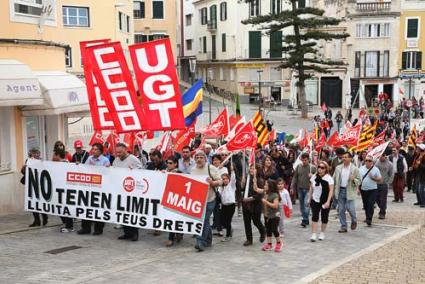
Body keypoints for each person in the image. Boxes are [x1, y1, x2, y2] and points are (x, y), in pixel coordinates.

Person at [190, 150, 222, 252]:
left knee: (204, 220)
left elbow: (221, 181)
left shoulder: (211, 168)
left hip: (210, 199)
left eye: (201, 157)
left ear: (205, 158)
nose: (199, 159)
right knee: (205, 220)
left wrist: (212, 182)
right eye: (197, 157)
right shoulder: (193, 170)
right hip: (198, 200)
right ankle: (208, 239)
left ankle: (201, 242)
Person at [78, 143, 110, 235]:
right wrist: (79, 165)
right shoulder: (89, 158)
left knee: (99, 208)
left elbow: (107, 174)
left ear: (100, 151)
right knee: (87, 207)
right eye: (93, 149)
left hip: (101, 188)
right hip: (90, 187)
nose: (93, 151)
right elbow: (85, 169)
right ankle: (85, 228)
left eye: (96, 149)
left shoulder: (105, 160)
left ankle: (98, 229)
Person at [113, 143, 143, 241]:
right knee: (123, 213)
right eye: (117, 152)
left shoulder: (133, 159)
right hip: (120, 191)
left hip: (132, 191)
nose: (118, 154)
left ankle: (134, 233)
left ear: (126, 150)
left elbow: (143, 172)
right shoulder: (116, 161)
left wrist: (134, 170)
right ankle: (127, 233)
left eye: (120, 152)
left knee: (132, 213)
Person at [333, 152, 361, 233]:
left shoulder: (355, 169)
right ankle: (344, 226)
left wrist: (353, 179)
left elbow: (359, 181)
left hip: (350, 191)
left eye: (345, 157)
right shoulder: (338, 168)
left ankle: (354, 220)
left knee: (350, 208)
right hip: (340, 191)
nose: (344, 158)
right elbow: (334, 178)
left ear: (350, 158)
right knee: (341, 210)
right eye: (343, 157)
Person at [21, 148, 48, 227]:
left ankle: (44, 217)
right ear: (31, 154)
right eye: (34, 153)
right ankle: (37, 221)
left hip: (40, 185)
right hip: (31, 185)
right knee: (33, 203)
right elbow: (23, 172)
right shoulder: (28, 161)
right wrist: (25, 167)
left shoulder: (41, 161)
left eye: (37, 153)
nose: (36, 155)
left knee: (41, 203)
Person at [308, 161, 334, 242]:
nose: (320, 169)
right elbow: (311, 188)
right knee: (314, 216)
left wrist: (328, 201)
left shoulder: (329, 178)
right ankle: (314, 234)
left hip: (325, 200)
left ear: (326, 169)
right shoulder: (314, 177)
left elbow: (331, 190)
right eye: (319, 167)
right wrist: (309, 198)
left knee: (324, 217)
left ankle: (322, 233)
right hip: (315, 199)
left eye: (322, 167)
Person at [241, 165, 266, 246]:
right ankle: (249, 239)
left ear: (257, 170)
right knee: (246, 222)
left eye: (253, 168)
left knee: (256, 221)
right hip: (245, 204)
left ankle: (263, 231)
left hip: (255, 204)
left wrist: (250, 199)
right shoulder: (247, 178)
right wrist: (242, 183)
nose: (251, 170)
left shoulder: (259, 180)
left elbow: (260, 195)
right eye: (250, 168)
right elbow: (242, 189)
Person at [291, 153, 316, 228]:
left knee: (306, 204)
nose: (304, 162)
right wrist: (292, 187)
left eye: (305, 160)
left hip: (309, 189)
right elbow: (295, 177)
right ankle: (306, 218)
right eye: (303, 160)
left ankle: (305, 220)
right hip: (300, 188)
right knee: (301, 205)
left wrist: (313, 176)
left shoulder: (312, 167)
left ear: (308, 159)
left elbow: (319, 176)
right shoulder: (299, 167)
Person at [164, 156, 184, 247]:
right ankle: (176, 234)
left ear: (176, 164)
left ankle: (171, 238)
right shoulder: (164, 172)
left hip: (177, 198)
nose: (168, 165)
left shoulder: (180, 173)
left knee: (175, 218)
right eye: (167, 163)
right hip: (167, 197)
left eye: (171, 163)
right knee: (171, 218)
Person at [52, 148, 74, 232]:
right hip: (61, 189)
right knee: (61, 207)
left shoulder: (64, 163)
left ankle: (69, 226)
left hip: (65, 189)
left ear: (58, 155)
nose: (53, 156)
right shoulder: (60, 163)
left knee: (65, 207)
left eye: (54, 155)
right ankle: (67, 224)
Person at [359, 155, 382, 226]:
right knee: (365, 205)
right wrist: (357, 188)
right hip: (363, 189)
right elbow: (358, 179)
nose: (367, 162)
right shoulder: (361, 169)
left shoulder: (375, 169)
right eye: (366, 160)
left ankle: (369, 219)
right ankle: (367, 217)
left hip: (372, 189)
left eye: (369, 161)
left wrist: (373, 178)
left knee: (370, 204)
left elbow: (380, 179)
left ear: (372, 162)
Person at [261, 180, 282, 252]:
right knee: (268, 230)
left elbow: (275, 206)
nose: (264, 186)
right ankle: (269, 244)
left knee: (274, 229)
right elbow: (256, 189)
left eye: (266, 185)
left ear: (270, 186)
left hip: (275, 215)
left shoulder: (275, 195)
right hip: (267, 215)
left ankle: (279, 243)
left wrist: (266, 202)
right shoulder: (265, 193)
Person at [211, 154, 228, 237]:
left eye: (217, 160)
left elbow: (225, 180)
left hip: (222, 193)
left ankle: (223, 228)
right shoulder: (211, 169)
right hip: (213, 193)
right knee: (216, 211)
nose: (215, 161)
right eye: (214, 160)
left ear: (220, 161)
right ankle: (218, 227)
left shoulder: (224, 169)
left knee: (221, 212)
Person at [375, 150, 394, 220]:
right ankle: (383, 207)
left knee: (383, 199)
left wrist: (388, 182)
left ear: (385, 156)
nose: (381, 157)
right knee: (376, 198)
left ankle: (382, 213)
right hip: (376, 183)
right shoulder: (376, 162)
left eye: (382, 156)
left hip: (384, 184)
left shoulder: (389, 164)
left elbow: (391, 174)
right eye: (379, 156)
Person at [218, 169, 236, 242]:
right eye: (223, 179)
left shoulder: (231, 186)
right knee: (223, 220)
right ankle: (230, 229)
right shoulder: (221, 187)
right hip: (224, 206)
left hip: (231, 205)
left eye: (226, 179)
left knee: (228, 220)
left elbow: (233, 178)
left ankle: (228, 235)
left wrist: (232, 171)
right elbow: (218, 193)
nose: (225, 180)